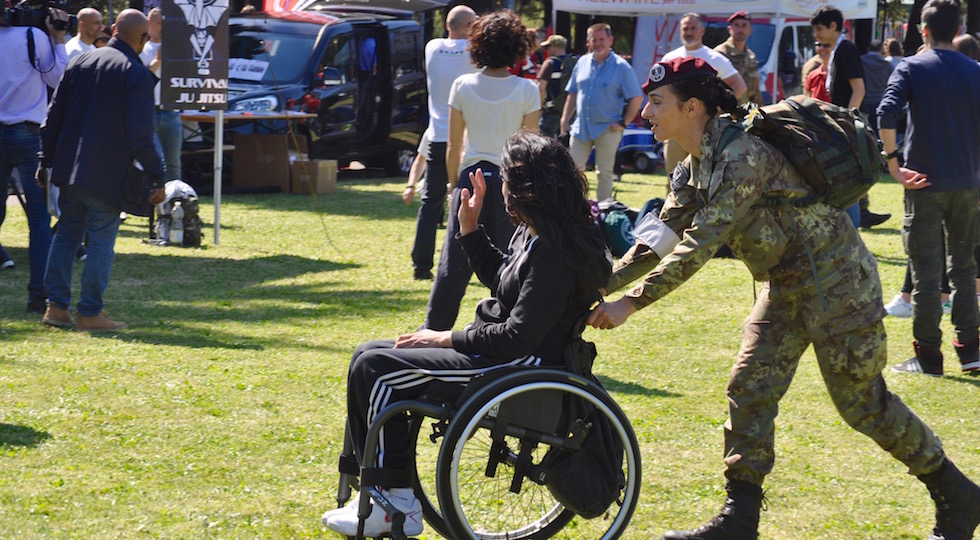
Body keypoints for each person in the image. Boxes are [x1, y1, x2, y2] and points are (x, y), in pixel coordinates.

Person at [588, 56, 980, 540]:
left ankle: (958, 495)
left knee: (863, 404)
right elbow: (659, 239)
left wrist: (630, 303)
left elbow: (699, 244)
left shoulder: (741, 157)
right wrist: (601, 284)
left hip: (838, 284)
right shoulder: (693, 166)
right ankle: (740, 519)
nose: (645, 113)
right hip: (786, 285)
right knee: (749, 388)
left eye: (655, 103)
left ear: (691, 107)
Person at [321, 130, 612, 538]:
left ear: (528, 185)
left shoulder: (554, 251)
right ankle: (371, 486)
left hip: (518, 362)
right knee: (365, 355)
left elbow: (517, 337)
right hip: (502, 351)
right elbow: (506, 284)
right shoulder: (534, 232)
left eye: (505, 179)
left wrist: (444, 338)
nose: (501, 188)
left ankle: (394, 500)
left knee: (378, 370)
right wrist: (470, 229)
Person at [39, 9, 166, 331]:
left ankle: (56, 308)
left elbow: (53, 116)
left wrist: (45, 160)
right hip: (107, 173)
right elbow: (141, 135)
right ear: (142, 38)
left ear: (112, 30)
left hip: (69, 168)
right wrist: (158, 175)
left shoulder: (80, 61)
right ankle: (91, 313)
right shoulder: (135, 74)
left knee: (67, 235)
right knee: (100, 243)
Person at [878, 0, 980, 377]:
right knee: (965, 269)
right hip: (967, 183)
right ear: (957, 30)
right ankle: (970, 351)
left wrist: (892, 165)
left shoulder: (911, 66)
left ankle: (928, 357)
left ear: (923, 30)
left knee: (925, 271)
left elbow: (885, 112)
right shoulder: (975, 70)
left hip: (923, 181)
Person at [423, 9, 540, 331]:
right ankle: (510, 331)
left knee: (452, 268)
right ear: (516, 47)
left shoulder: (463, 85)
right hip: (509, 185)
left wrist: (453, 188)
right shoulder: (528, 91)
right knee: (509, 266)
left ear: (478, 45)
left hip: (469, 181)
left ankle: (432, 333)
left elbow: (453, 147)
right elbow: (528, 152)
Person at [0, 4, 69, 311]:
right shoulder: (33, 36)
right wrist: (57, 38)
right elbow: (59, 79)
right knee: (39, 220)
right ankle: (38, 296)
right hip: (28, 135)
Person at [409, 4, 477, 281]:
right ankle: (466, 261)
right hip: (465, 136)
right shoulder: (473, 53)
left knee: (431, 202)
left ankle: (421, 264)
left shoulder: (433, 47)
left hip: (437, 134)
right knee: (470, 201)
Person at [811, 5, 890, 230]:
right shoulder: (839, 49)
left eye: (819, 29)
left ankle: (852, 230)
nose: (816, 35)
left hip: (848, 124)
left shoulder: (845, 48)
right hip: (843, 122)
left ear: (833, 26)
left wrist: (845, 121)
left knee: (847, 178)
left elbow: (859, 89)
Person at [559, 22, 643, 201]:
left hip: (608, 128)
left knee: (604, 172)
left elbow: (637, 98)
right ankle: (573, 208)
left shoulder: (622, 67)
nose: (597, 43)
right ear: (588, 42)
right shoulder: (581, 62)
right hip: (581, 127)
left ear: (610, 40)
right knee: (573, 171)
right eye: (594, 40)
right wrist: (565, 119)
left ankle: (604, 211)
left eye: (601, 39)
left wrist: (623, 122)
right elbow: (573, 93)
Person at [660, 13, 747, 175]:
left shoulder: (714, 58)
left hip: (705, 130)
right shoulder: (669, 59)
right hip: (675, 129)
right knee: (674, 178)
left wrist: (717, 106)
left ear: (702, 31)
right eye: (685, 29)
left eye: (693, 28)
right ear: (680, 31)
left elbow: (739, 85)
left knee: (705, 177)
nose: (689, 32)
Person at [140, 8, 181, 186]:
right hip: (149, 113)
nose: (164, 27)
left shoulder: (177, 48)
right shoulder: (142, 49)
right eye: (160, 23)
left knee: (174, 163)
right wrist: (158, 61)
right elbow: (141, 79)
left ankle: (175, 201)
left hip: (171, 112)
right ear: (149, 24)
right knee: (158, 161)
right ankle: (155, 201)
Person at [714, 11, 763, 106]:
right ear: (729, 29)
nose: (740, 29)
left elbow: (755, 92)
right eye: (736, 25)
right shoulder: (719, 54)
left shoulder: (751, 57)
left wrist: (761, 114)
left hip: (746, 115)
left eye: (744, 25)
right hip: (725, 114)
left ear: (750, 30)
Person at [537, 34, 573, 138]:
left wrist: (539, 108)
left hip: (551, 113)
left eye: (547, 47)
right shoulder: (574, 62)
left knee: (545, 147)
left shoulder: (549, 63)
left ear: (554, 47)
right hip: (569, 114)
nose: (546, 50)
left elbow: (541, 88)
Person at [860, 39, 894, 123]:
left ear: (868, 49)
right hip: (880, 101)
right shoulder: (887, 65)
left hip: (863, 102)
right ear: (881, 51)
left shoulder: (860, 62)